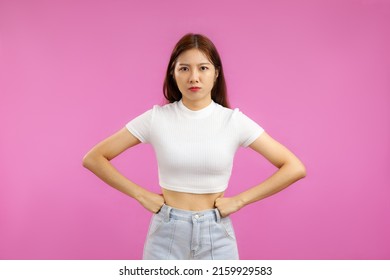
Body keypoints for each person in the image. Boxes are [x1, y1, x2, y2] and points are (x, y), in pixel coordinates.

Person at [82, 33, 306, 260]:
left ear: (216, 73)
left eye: (203, 68)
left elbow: (294, 167)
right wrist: (141, 195)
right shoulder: (157, 118)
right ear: (173, 72)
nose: (194, 77)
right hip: (166, 235)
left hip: (217, 235)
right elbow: (94, 157)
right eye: (184, 68)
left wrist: (240, 200)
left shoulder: (233, 121)